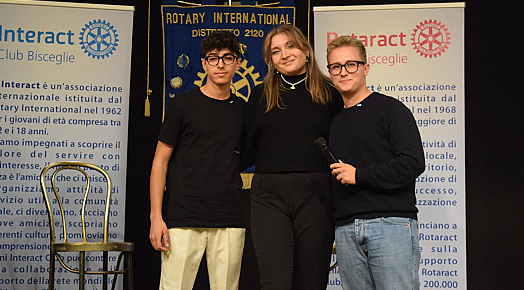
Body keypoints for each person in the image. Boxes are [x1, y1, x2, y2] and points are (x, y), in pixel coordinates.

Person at [244, 25, 343, 290]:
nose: (284, 54)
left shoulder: (331, 93)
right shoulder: (260, 95)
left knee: (312, 280)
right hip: (269, 196)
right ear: (270, 60)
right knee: (275, 281)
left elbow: (343, 146)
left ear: (306, 50)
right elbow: (245, 149)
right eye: (276, 51)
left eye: (290, 46)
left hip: (317, 195)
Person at [325, 35, 425, 290]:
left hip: (390, 224)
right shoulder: (332, 121)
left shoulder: (391, 110)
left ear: (366, 68)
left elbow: (413, 163)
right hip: (346, 228)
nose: (343, 72)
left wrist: (359, 175)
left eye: (351, 65)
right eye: (335, 67)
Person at [149, 30, 246, 290]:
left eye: (227, 58)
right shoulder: (182, 105)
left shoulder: (242, 110)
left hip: (229, 217)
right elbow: (160, 162)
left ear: (237, 63)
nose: (221, 65)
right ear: (204, 64)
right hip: (183, 216)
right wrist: (156, 217)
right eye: (214, 58)